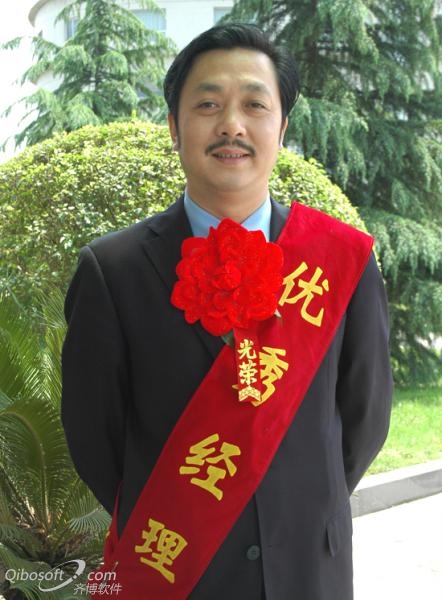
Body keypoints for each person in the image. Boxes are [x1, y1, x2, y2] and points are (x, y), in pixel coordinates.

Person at [61, 23, 393, 600]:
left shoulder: (343, 262)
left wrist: (297, 502)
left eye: (254, 105)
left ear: (281, 128)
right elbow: (96, 439)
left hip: (310, 568)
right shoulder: (112, 271)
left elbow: (365, 419)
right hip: (178, 572)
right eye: (208, 104)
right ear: (174, 126)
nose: (232, 126)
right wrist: (181, 511)